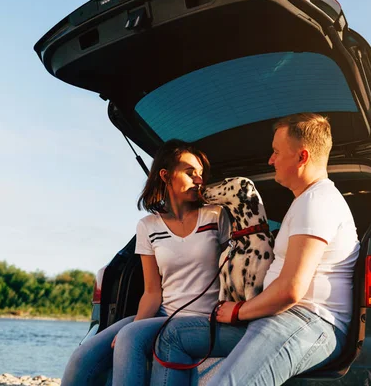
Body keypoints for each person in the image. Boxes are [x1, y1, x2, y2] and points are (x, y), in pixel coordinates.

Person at [152, 113, 360, 386]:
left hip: (308, 321)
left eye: (276, 152)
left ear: (302, 157)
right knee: (173, 335)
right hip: (276, 316)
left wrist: (238, 311)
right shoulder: (302, 202)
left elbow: (291, 290)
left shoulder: (317, 202)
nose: (270, 160)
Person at [61, 139, 231, 386]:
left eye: (201, 174)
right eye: (190, 172)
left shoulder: (216, 216)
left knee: (129, 336)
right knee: (82, 359)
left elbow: (234, 273)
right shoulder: (148, 226)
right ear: (165, 175)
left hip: (203, 320)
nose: (199, 180)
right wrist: (137, 326)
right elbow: (152, 291)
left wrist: (132, 333)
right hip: (163, 315)